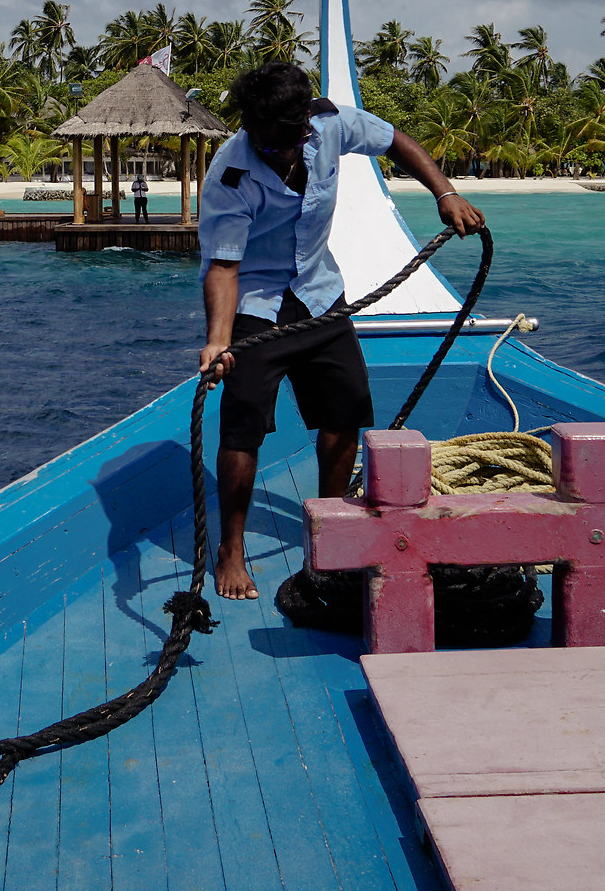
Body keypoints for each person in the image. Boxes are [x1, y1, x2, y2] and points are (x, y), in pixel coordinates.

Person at [195, 60, 484, 601]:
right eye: (265, 140)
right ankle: (231, 549)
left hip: (321, 294)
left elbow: (394, 140)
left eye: (287, 140)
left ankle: (329, 524)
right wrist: (218, 339)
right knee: (242, 427)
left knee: (345, 410)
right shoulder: (230, 175)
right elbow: (224, 267)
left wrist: (444, 193)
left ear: (304, 124)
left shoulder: (328, 123)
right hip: (255, 305)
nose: (277, 150)